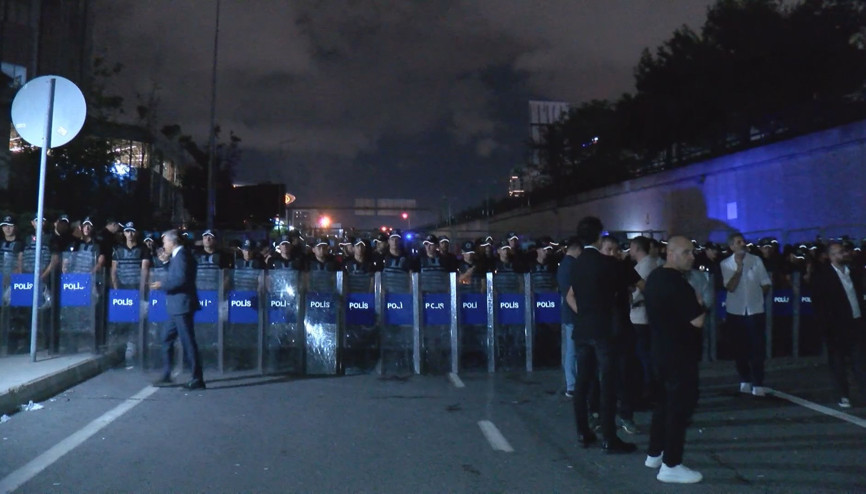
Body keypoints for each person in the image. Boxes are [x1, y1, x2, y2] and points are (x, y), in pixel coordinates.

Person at [569, 216, 636, 454]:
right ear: (599, 236)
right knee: (607, 383)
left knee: (582, 383)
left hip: (582, 329)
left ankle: (582, 431)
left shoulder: (575, 263)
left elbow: (572, 295)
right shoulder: (607, 264)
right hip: (604, 330)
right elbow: (625, 287)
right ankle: (609, 436)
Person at [644, 235, 705, 484]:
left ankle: (655, 453)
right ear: (670, 253)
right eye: (686, 252)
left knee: (662, 405)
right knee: (678, 408)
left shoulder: (655, 278)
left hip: (659, 350)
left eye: (692, 252)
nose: (691, 257)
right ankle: (671, 463)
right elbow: (697, 319)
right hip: (679, 354)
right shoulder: (677, 283)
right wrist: (700, 304)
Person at [811, 241, 866, 408]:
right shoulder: (823, 276)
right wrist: (826, 328)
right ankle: (843, 394)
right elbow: (820, 305)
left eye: (844, 251)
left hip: (856, 322)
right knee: (838, 363)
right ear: (831, 256)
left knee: (860, 362)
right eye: (840, 252)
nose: (844, 254)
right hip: (836, 327)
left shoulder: (854, 273)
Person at [151, 229, 205, 390]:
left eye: (165, 242)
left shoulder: (181, 256)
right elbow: (177, 275)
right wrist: (166, 263)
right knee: (166, 338)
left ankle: (197, 378)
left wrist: (162, 285)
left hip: (182, 305)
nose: (163, 245)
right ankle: (167, 374)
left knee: (188, 342)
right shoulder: (179, 256)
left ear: (172, 242)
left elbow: (180, 280)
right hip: (177, 306)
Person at [721, 232, 771, 396]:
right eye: (738, 242)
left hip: (755, 310)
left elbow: (765, 283)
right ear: (732, 246)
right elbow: (730, 287)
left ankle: (758, 382)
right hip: (735, 311)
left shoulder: (756, 261)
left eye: (743, 241)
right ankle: (745, 379)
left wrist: (757, 297)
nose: (742, 244)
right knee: (739, 348)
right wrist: (739, 268)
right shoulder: (726, 264)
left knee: (757, 348)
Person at [556, 236, 581, 398]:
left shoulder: (564, 265)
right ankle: (572, 384)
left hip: (569, 313)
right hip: (573, 313)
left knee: (572, 350)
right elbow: (570, 293)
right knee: (572, 350)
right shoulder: (571, 266)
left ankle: (573, 383)